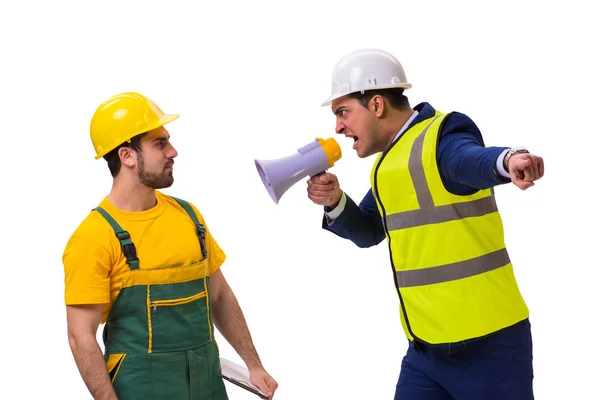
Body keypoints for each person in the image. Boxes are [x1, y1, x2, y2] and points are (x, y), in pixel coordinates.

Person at [306, 49, 544, 400]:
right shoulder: (388, 164)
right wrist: (334, 201)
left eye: (343, 112)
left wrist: (505, 161)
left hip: (490, 349)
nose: (338, 127)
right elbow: (370, 229)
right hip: (425, 352)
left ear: (376, 105)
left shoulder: (443, 134)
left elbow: (467, 159)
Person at [63, 92, 278, 399]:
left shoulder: (188, 216)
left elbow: (218, 295)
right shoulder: (94, 238)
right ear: (127, 155)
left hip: (207, 385)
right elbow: (80, 336)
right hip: (141, 389)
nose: (173, 151)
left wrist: (254, 365)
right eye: (159, 143)